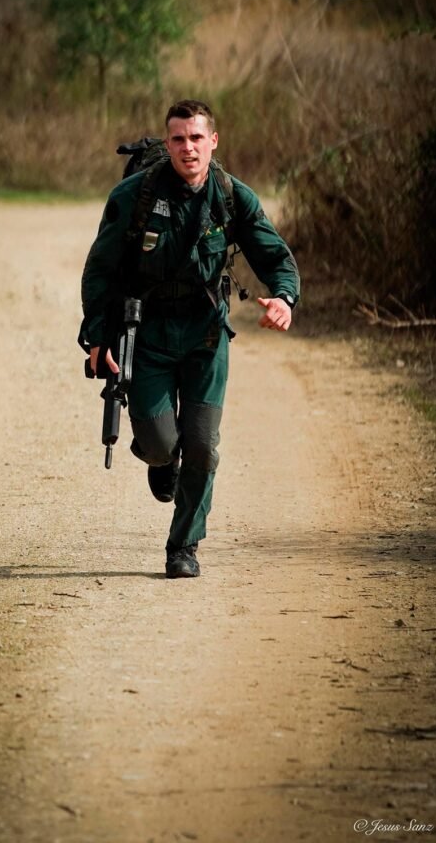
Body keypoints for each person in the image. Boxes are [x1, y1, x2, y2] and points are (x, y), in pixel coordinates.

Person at [80, 99, 300, 579]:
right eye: (178, 139)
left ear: (213, 141)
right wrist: (97, 337)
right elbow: (100, 270)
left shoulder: (230, 196)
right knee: (160, 444)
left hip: (206, 335)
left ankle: (183, 546)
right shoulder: (135, 196)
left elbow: (275, 255)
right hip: (149, 334)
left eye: (197, 137)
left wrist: (284, 298)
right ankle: (162, 461)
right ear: (168, 143)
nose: (188, 148)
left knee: (201, 445)